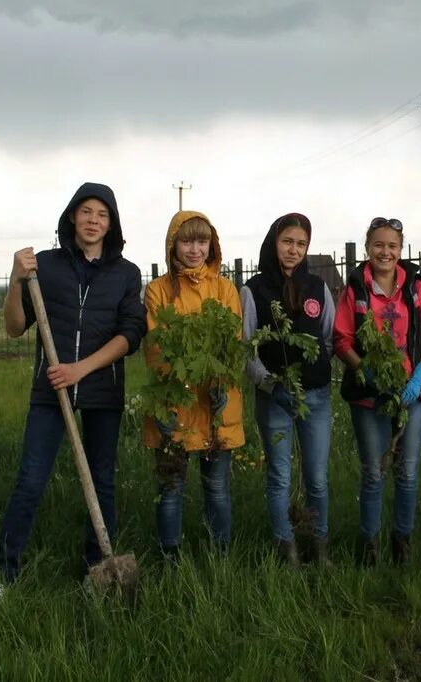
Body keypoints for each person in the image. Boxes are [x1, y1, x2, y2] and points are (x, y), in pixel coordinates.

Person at [0, 182, 147, 611]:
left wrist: (81, 369)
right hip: (50, 392)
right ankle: (4, 577)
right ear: (73, 216)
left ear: (112, 223)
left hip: (101, 389)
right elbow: (15, 327)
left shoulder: (126, 274)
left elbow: (131, 335)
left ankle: (97, 569)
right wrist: (16, 280)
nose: (93, 220)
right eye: (86, 211)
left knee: (102, 480)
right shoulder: (45, 267)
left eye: (102, 214)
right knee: (31, 480)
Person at [334, 217, 421, 566]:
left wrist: (418, 379)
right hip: (369, 397)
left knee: (407, 471)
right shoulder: (355, 288)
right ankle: (369, 545)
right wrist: (364, 370)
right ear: (368, 248)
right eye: (378, 245)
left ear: (401, 249)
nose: (385, 251)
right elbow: (341, 339)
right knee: (373, 471)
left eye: (392, 245)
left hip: (413, 396)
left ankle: (402, 541)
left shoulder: (417, 288)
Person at [143, 210, 245, 561]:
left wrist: (219, 384)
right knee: (171, 487)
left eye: (202, 241)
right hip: (174, 402)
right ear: (173, 245)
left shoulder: (225, 288)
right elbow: (157, 349)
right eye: (187, 241)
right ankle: (169, 556)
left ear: (211, 245)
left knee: (217, 488)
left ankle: (220, 555)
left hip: (216, 403)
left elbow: (232, 343)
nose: (195, 249)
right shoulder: (158, 291)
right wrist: (170, 399)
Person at [242, 213, 334, 568]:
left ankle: (319, 544)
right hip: (274, 398)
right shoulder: (254, 290)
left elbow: (326, 337)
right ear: (273, 242)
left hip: (316, 397)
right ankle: (287, 549)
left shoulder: (317, 287)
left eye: (301, 244)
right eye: (287, 242)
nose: (294, 250)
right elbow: (247, 346)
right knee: (280, 476)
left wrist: (315, 371)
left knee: (317, 477)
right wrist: (269, 382)